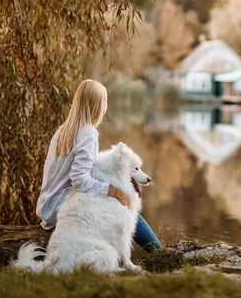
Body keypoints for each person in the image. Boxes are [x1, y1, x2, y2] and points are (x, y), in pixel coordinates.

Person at [36, 79, 161, 252]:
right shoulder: (87, 134)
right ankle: (158, 251)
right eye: (105, 100)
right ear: (97, 105)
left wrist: (126, 179)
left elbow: (85, 173)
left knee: (119, 198)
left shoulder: (62, 131)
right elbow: (80, 180)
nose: (106, 105)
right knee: (124, 204)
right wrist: (116, 191)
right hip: (63, 206)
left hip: (47, 206)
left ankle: (150, 251)